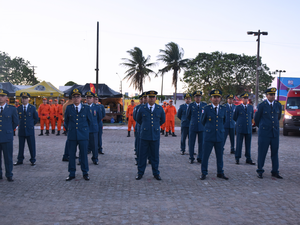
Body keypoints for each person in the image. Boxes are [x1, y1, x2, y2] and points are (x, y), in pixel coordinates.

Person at [136, 91, 165, 180]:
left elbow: (162, 120)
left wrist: (155, 127)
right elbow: (138, 119)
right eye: (150, 97)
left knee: (155, 155)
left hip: (155, 135)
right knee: (142, 155)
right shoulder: (142, 108)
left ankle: (156, 173)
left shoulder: (160, 109)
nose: (152, 98)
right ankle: (140, 173)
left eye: (153, 97)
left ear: (155, 98)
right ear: (147, 98)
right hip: (144, 135)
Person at [64, 88, 92, 181]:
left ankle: (85, 172)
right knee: (71, 155)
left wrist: (85, 131)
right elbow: (66, 121)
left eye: (78, 97)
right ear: (72, 98)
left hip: (83, 135)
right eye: (74, 97)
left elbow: (90, 121)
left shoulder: (86, 108)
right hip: (72, 135)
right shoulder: (69, 108)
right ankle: (72, 173)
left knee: (83, 154)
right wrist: (70, 130)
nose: (76, 98)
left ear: (81, 98)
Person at [255, 88, 283, 179]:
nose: (272, 96)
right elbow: (257, 118)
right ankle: (260, 170)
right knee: (262, 152)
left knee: (275, 153)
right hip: (264, 133)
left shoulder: (278, 105)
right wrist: (263, 127)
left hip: (274, 133)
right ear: (266, 96)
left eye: (273, 94)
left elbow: (278, 117)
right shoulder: (262, 105)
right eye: (270, 95)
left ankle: (275, 171)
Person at [200, 90, 228, 180]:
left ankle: (220, 172)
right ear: (211, 98)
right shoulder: (207, 109)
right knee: (205, 156)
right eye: (214, 97)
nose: (216, 99)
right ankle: (204, 172)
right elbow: (203, 121)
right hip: (209, 136)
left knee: (220, 155)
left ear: (220, 99)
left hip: (219, 136)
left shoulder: (223, 109)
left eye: (218, 97)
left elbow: (224, 121)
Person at [14, 92, 39, 166]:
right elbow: (16, 119)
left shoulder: (32, 108)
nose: (24, 100)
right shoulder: (18, 108)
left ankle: (33, 160)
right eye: (23, 98)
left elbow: (36, 118)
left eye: (25, 98)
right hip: (21, 129)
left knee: (31, 145)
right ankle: (20, 159)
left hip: (29, 130)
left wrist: (31, 125)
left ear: (28, 99)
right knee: (21, 146)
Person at [0, 89, 18, 181]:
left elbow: (15, 122)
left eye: (2, 96)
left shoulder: (12, 109)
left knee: (8, 157)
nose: (0, 98)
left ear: (6, 98)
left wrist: (9, 130)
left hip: (7, 137)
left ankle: (9, 174)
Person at [233, 93, 255, 165]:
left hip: (248, 128)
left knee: (248, 144)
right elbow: (235, 117)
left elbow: (251, 116)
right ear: (242, 99)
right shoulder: (238, 107)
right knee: (239, 144)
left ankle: (248, 158)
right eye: (244, 98)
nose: (245, 99)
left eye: (246, 98)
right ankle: (237, 158)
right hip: (240, 128)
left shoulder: (250, 107)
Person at [186, 91, 207, 164]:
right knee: (191, 142)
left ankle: (200, 157)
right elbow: (188, 116)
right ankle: (191, 157)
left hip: (201, 127)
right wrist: (193, 121)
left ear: (201, 97)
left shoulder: (204, 105)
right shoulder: (191, 105)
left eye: (199, 97)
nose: (198, 98)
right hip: (193, 126)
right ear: (194, 98)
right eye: (196, 97)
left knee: (201, 143)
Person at [86, 91, 101, 165]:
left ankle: (95, 158)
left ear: (93, 99)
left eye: (90, 98)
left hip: (94, 129)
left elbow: (99, 118)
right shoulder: (83, 107)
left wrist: (95, 125)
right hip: (85, 129)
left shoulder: (96, 107)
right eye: (87, 98)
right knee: (83, 145)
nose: (89, 99)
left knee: (94, 145)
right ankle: (81, 159)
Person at [133, 94, 143, 165]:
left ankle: (149, 158)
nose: (143, 100)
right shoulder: (137, 107)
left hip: (148, 129)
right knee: (138, 144)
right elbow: (135, 117)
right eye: (141, 99)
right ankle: (138, 158)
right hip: (139, 128)